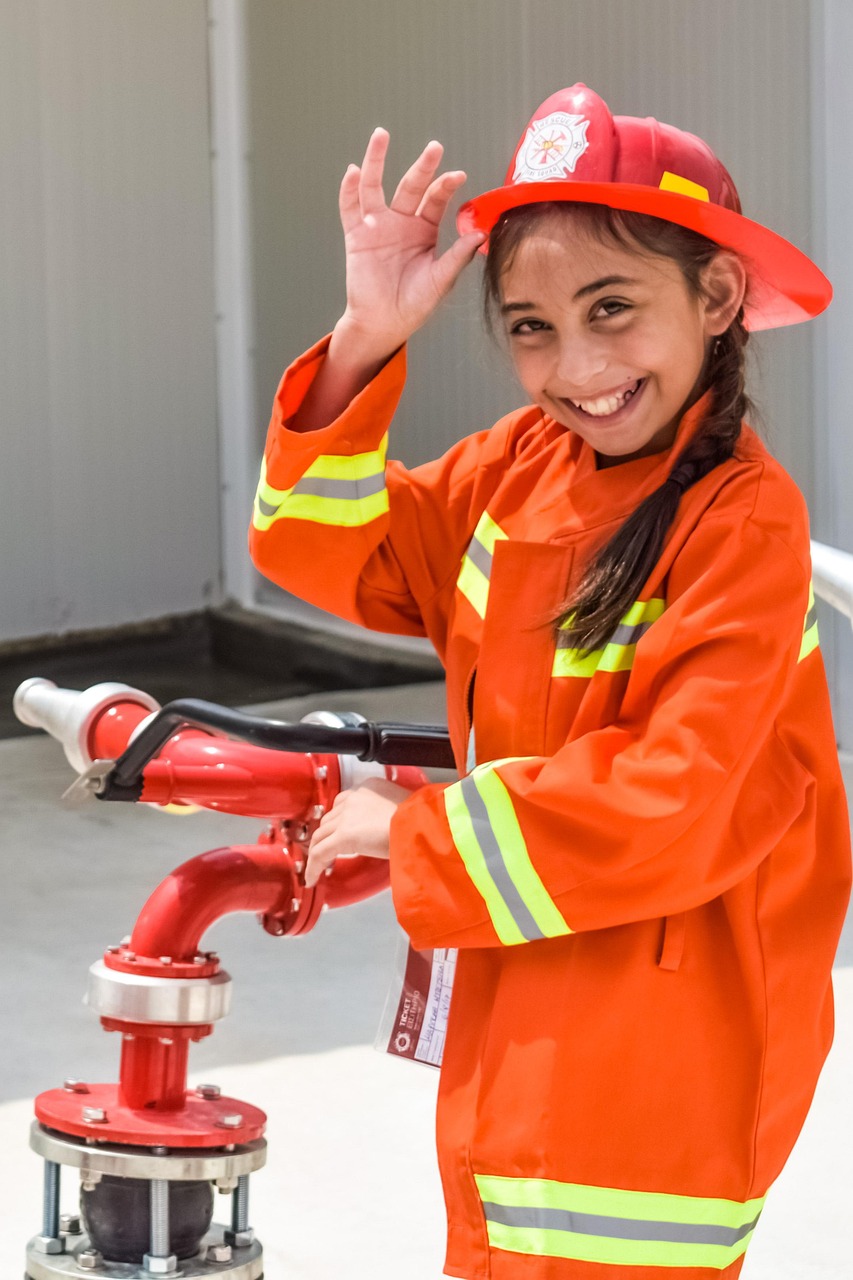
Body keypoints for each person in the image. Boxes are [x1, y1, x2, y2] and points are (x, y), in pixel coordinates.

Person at [249, 85, 852, 1280]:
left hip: (665, 1041)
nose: (573, 367)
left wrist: (419, 837)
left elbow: (668, 798)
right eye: (530, 326)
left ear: (717, 297)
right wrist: (369, 333)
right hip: (523, 985)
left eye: (611, 308)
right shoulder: (524, 469)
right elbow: (340, 545)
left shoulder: (742, 524)